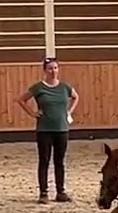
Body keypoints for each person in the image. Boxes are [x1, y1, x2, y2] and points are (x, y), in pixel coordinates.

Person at [15, 56, 79, 204]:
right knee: (44, 160)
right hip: (45, 129)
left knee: (60, 161)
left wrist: (69, 112)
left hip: (62, 129)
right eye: (50, 68)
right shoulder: (39, 88)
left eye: (55, 68)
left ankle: (61, 191)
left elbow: (75, 97)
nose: (53, 71)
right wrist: (32, 113)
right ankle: (43, 192)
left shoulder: (64, 87)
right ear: (45, 70)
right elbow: (21, 100)